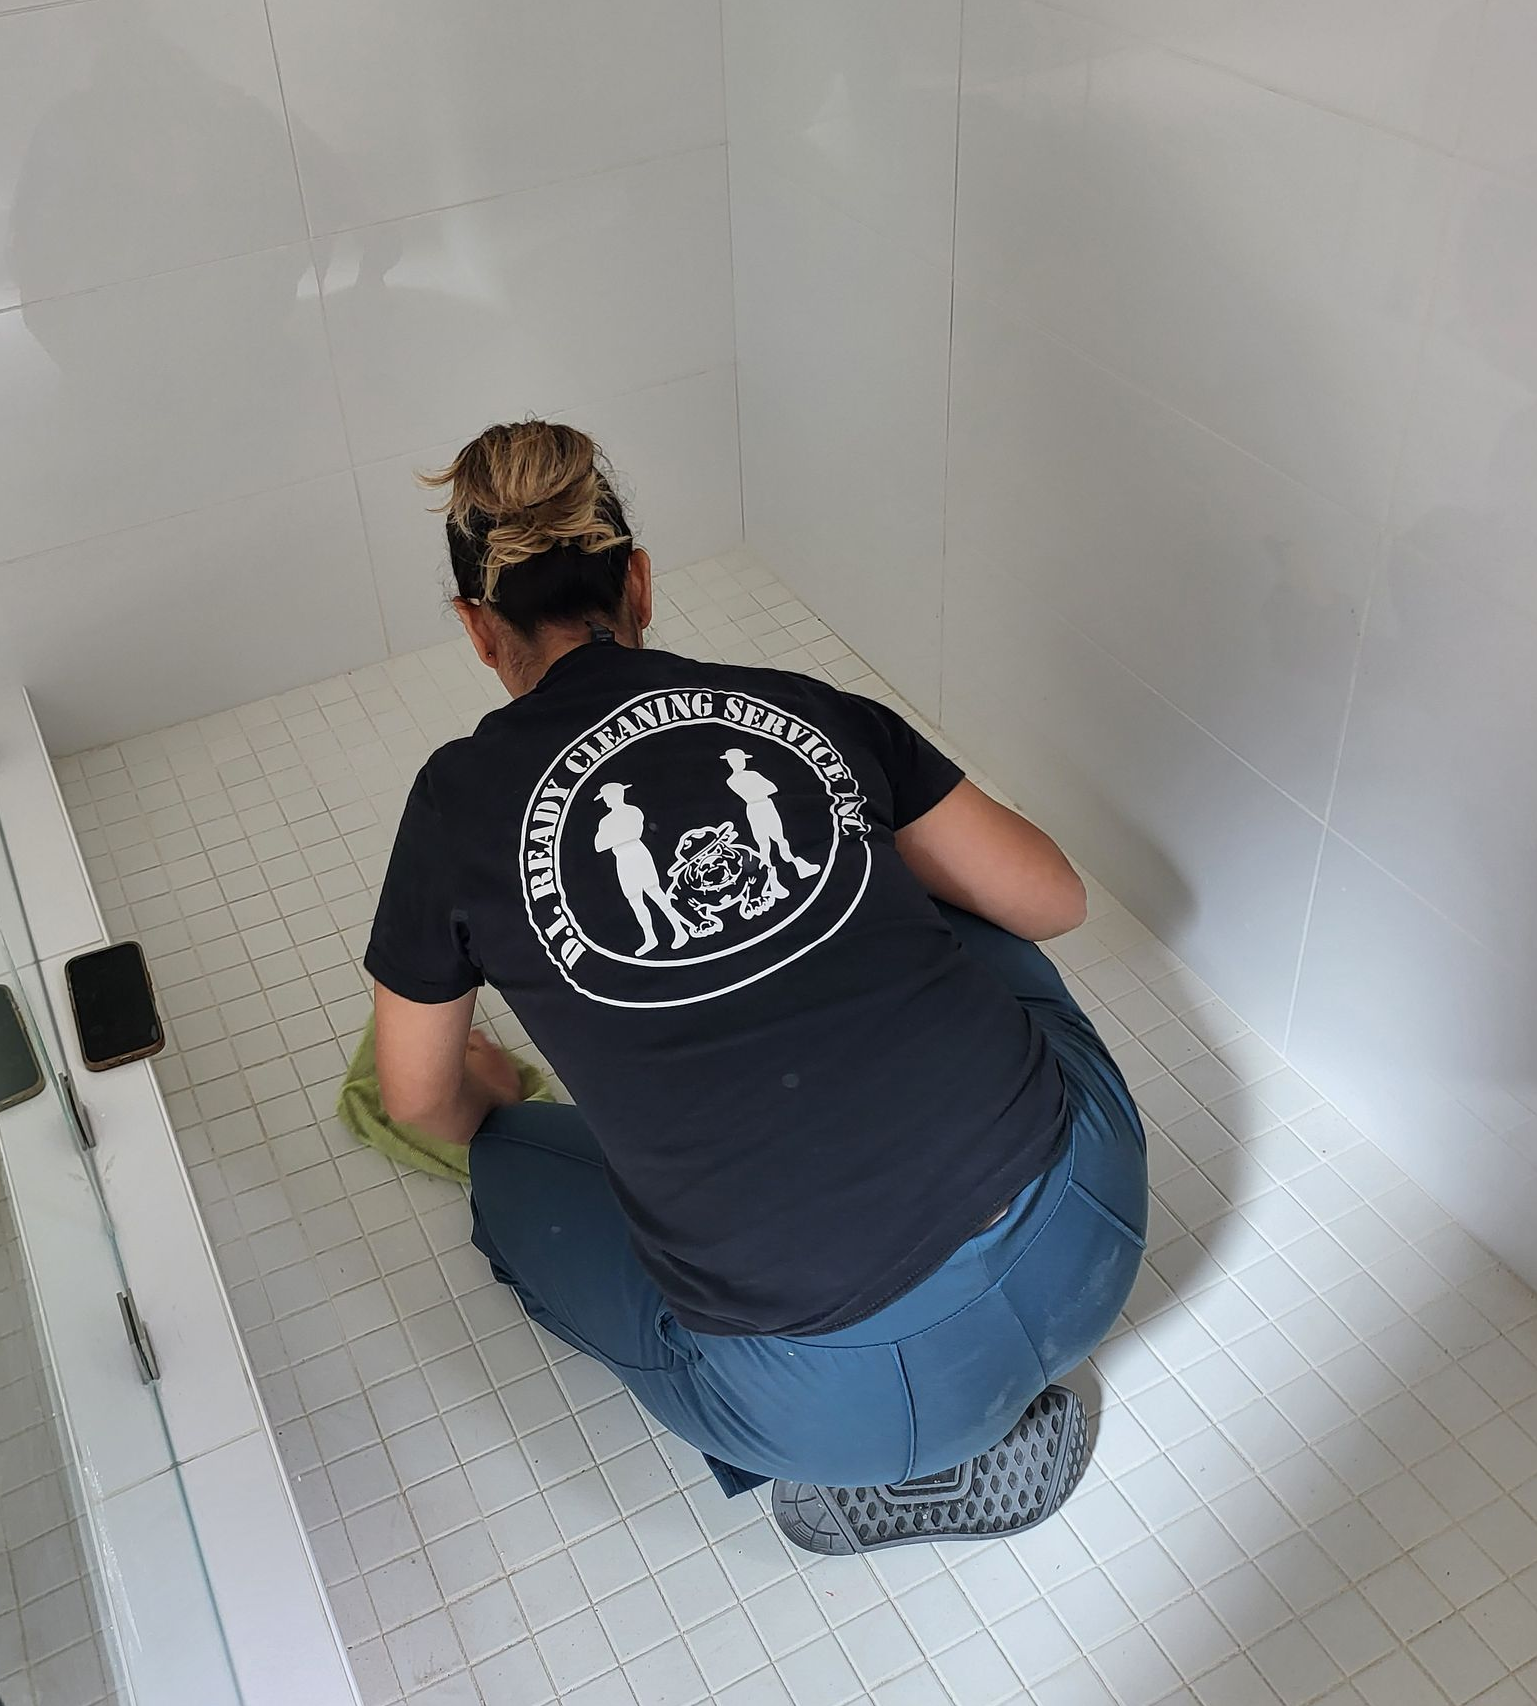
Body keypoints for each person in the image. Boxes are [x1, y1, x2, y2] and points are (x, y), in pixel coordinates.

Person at [366, 420, 1148, 1552]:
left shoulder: (455, 802)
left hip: (823, 1402)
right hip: (1090, 1229)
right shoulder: (802, 701)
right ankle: (958, 1398)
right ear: (637, 579)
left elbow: (416, 1100)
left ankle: (873, 1468)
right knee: (957, 892)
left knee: (505, 1170)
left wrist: (490, 1087)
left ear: (478, 631)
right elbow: (1052, 901)